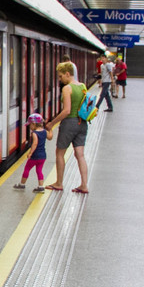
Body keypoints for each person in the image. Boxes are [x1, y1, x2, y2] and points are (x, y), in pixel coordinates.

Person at [44, 62, 90, 194]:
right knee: (80, 155)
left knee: (59, 153)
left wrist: (51, 123)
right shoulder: (82, 86)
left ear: (67, 74)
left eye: (60, 76)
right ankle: (84, 185)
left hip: (69, 123)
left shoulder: (67, 88)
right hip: (83, 123)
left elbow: (67, 111)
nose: (60, 79)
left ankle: (59, 183)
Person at [13, 113, 51, 193]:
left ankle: (22, 184)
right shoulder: (44, 132)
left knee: (27, 169)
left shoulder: (34, 133)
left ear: (34, 124)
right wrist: (50, 129)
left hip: (35, 156)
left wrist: (30, 153)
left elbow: (35, 144)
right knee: (39, 170)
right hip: (43, 156)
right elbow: (50, 137)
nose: (30, 127)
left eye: (30, 125)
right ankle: (41, 187)